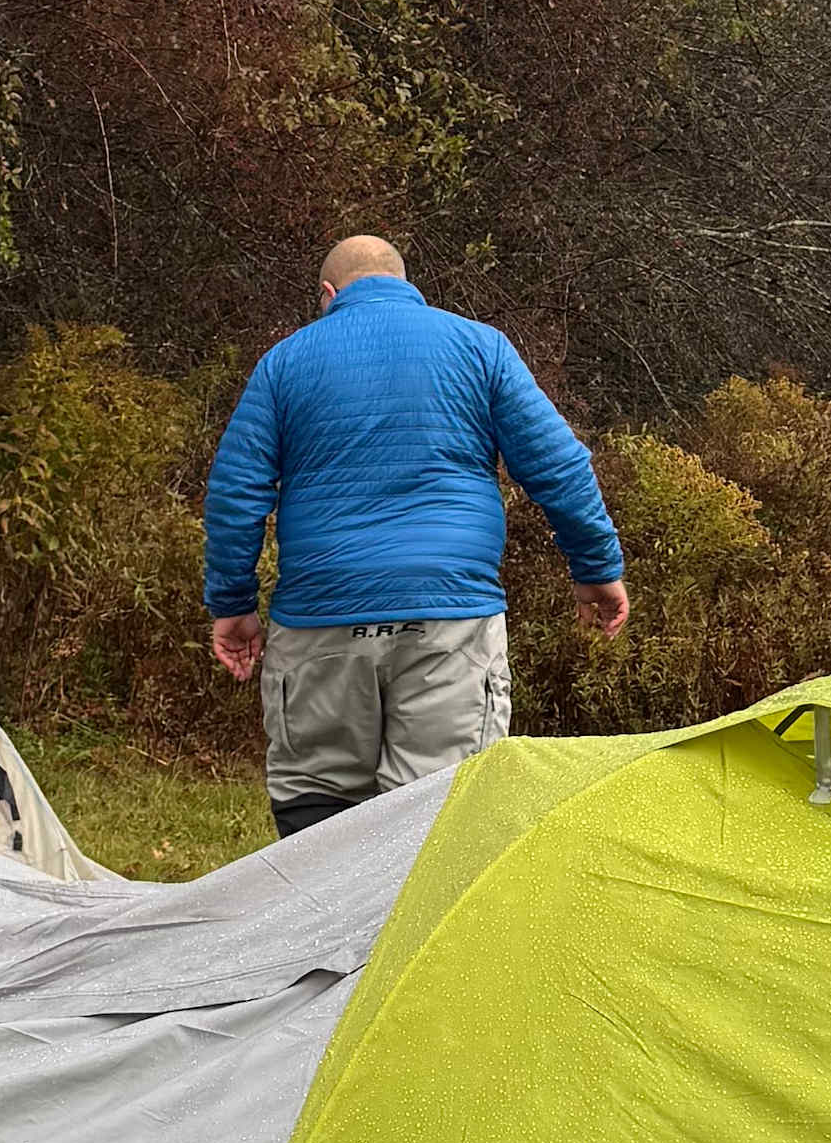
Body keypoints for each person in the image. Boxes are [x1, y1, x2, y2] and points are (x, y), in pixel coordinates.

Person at [202, 235, 629, 831]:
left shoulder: (286, 362)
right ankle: (412, 925)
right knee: (436, 810)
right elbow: (559, 467)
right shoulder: (482, 350)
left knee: (316, 801)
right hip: (449, 619)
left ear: (328, 295)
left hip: (319, 617)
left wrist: (233, 606)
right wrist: (596, 570)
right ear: (409, 286)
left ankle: (324, 925)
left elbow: (235, 492)